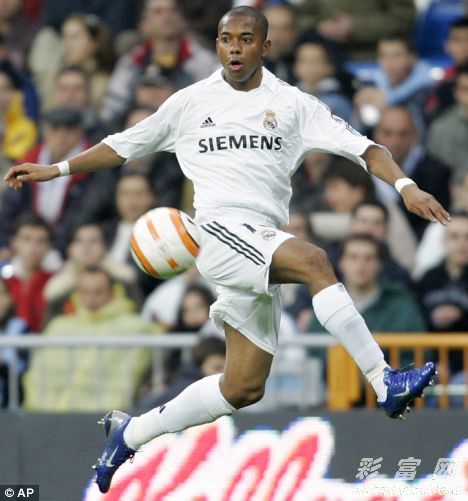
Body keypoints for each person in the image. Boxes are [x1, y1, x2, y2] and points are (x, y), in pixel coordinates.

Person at [4, 7, 448, 494]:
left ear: (265, 46)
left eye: (245, 39)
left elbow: (367, 150)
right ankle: (384, 381)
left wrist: (406, 186)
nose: (234, 48)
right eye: (225, 38)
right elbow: (123, 145)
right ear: (216, 44)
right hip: (218, 232)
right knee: (315, 262)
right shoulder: (190, 102)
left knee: (242, 387)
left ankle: (130, 433)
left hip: (261, 238)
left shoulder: (293, 104)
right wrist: (57, 170)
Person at [23, 266, 158, 411]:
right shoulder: (58, 326)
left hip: (107, 416)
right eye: (85, 291)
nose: (91, 298)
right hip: (50, 416)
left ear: (113, 292)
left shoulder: (136, 328)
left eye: (98, 291)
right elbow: (38, 378)